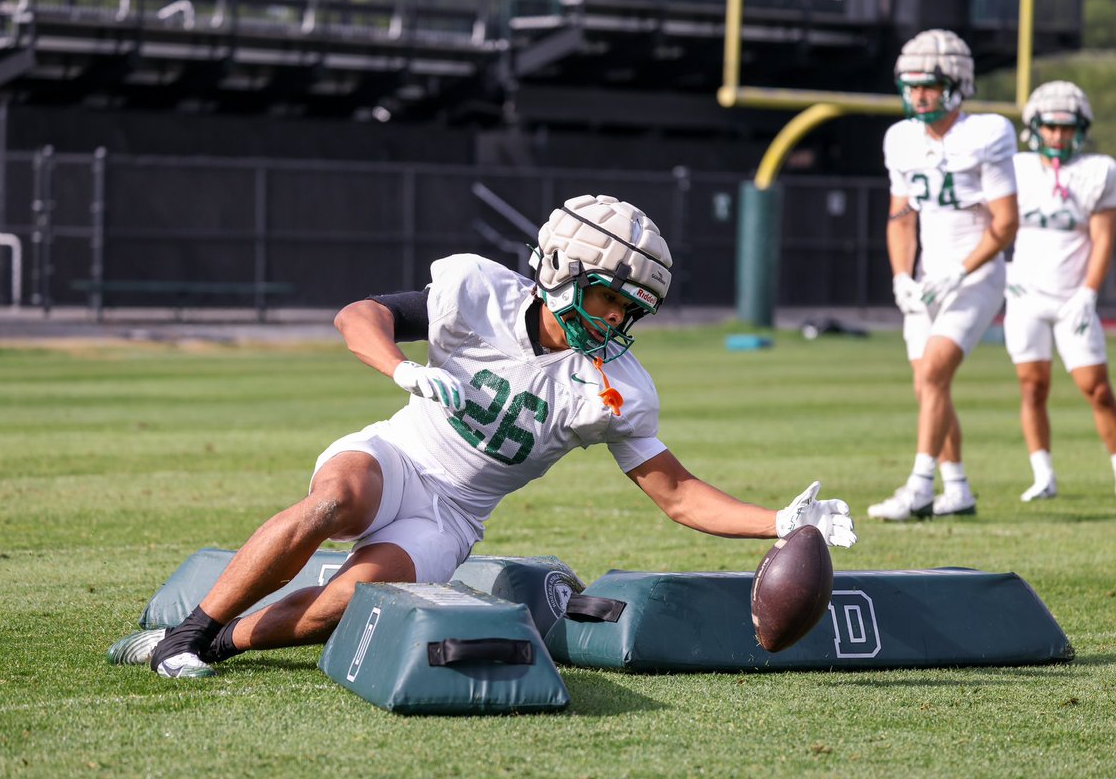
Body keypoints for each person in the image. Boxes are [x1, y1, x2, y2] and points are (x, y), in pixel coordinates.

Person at [108, 193, 858, 678]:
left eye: (633, 311)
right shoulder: (478, 292)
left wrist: (781, 520)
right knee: (334, 499)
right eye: (608, 300)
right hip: (401, 454)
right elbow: (356, 315)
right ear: (563, 271)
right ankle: (189, 630)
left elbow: (680, 498)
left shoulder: (616, 387)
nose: (619, 324)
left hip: (453, 514)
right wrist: (402, 371)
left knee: (352, 597)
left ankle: (216, 644)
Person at [868, 29, 1019, 522]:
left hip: (976, 275)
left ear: (956, 83)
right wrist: (900, 276)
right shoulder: (901, 138)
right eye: (910, 86)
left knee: (933, 372)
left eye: (928, 85)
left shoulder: (986, 133)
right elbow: (901, 217)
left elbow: (1005, 223)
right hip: (928, 277)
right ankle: (958, 488)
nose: (917, 95)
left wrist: (960, 268)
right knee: (928, 384)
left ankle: (919, 487)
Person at [1003, 80, 1116, 500]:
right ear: (1036, 127)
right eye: (1051, 127)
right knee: (1032, 386)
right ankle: (1043, 474)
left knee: (1098, 389)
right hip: (1025, 294)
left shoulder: (1097, 170)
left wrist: (1089, 292)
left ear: (1080, 129)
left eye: (1067, 129)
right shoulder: (1016, 167)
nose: (1058, 136)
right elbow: (994, 222)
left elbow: (1104, 237)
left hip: (1073, 298)